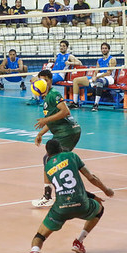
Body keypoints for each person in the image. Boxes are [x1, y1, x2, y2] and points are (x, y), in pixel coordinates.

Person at [13, 139, 115, 253]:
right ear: (61, 148)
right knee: (100, 209)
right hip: (82, 204)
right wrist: (106, 190)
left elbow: (64, 188)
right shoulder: (71, 156)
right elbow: (90, 177)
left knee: (40, 235)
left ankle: (35, 251)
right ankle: (79, 241)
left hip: (60, 208)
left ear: (48, 154)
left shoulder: (48, 167)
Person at [32, 69, 82, 208]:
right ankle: (69, 193)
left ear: (50, 80)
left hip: (67, 132)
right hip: (63, 132)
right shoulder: (46, 97)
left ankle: (49, 196)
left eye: (46, 81)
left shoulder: (53, 94)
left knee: (50, 160)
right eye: (41, 81)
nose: (44, 84)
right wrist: (40, 133)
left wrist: (45, 119)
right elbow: (52, 121)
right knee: (56, 161)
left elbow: (66, 111)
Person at [68, 42, 116, 111]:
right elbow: (96, 71)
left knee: (99, 82)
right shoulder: (99, 60)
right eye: (103, 48)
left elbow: (108, 73)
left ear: (108, 50)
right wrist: (94, 76)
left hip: (109, 78)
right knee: (76, 80)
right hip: (99, 77)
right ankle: (75, 103)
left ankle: (96, 104)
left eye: (105, 48)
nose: (104, 50)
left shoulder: (112, 59)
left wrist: (97, 77)